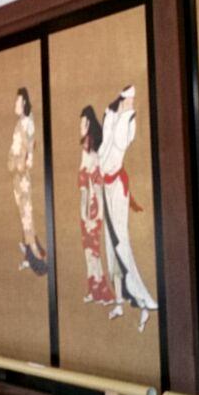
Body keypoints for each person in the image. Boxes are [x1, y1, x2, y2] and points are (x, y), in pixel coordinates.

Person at [99, 85, 158, 331]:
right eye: (129, 100)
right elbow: (104, 149)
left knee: (121, 240)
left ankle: (141, 297)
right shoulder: (111, 115)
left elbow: (120, 143)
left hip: (117, 186)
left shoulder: (127, 120)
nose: (132, 103)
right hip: (105, 185)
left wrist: (125, 115)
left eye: (133, 100)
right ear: (122, 99)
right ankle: (119, 300)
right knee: (110, 242)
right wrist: (116, 116)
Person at [9, 87, 48, 275]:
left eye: (17, 102)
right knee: (23, 215)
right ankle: (29, 254)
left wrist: (24, 164)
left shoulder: (27, 123)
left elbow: (31, 148)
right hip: (16, 175)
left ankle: (36, 257)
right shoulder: (20, 123)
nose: (15, 105)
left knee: (27, 216)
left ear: (24, 102)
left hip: (22, 175)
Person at [79, 106, 115, 304]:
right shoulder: (86, 154)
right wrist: (82, 212)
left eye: (83, 124)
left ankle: (103, 292)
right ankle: (94, 290)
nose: (81, 128)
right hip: (86, 207)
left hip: (94, 206)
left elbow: (97, 186)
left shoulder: (94, 156)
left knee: (93, 251)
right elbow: (83, 187)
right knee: (88, 251)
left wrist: (97, 212)